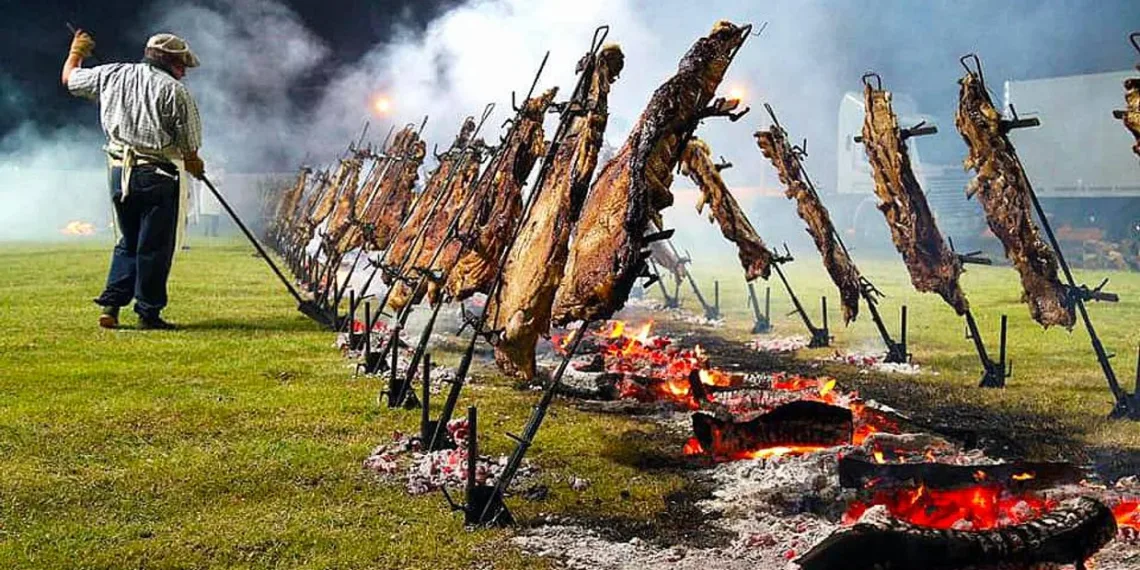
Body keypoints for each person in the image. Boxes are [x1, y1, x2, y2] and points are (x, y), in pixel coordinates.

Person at [62, 30, 205, 330]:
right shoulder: (175, 92)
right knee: (154, 247)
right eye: (182, 65)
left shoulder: (112, 74)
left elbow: (70, 79)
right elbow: (189, 146)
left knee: (127, 242)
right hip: (157, 176)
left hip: (119, 174)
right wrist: (195, 165)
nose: (184, 72)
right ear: (170, 62)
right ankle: (148, 313)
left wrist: (77, 52)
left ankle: (112, 306)